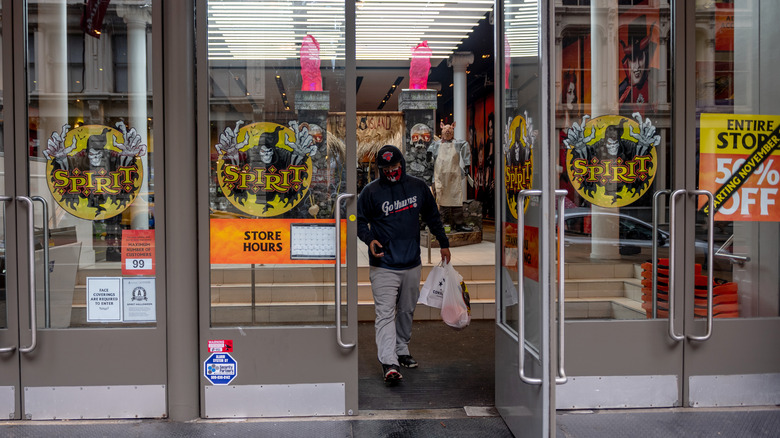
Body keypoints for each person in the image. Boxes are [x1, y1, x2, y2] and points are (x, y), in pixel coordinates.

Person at [357, 144, 451, 384]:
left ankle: (402, 349)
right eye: (385, 167)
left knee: (407, 310)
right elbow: (358, 221)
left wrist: (443, 242)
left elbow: (432, 216)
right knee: (385, 313)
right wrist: (369, 239)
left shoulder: (418, 187)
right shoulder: (370, 192)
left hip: (411, 262)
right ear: (379, 168)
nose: (390, 170)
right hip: (383, 265)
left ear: (402, 164)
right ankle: (389, 362)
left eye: (394, 165)